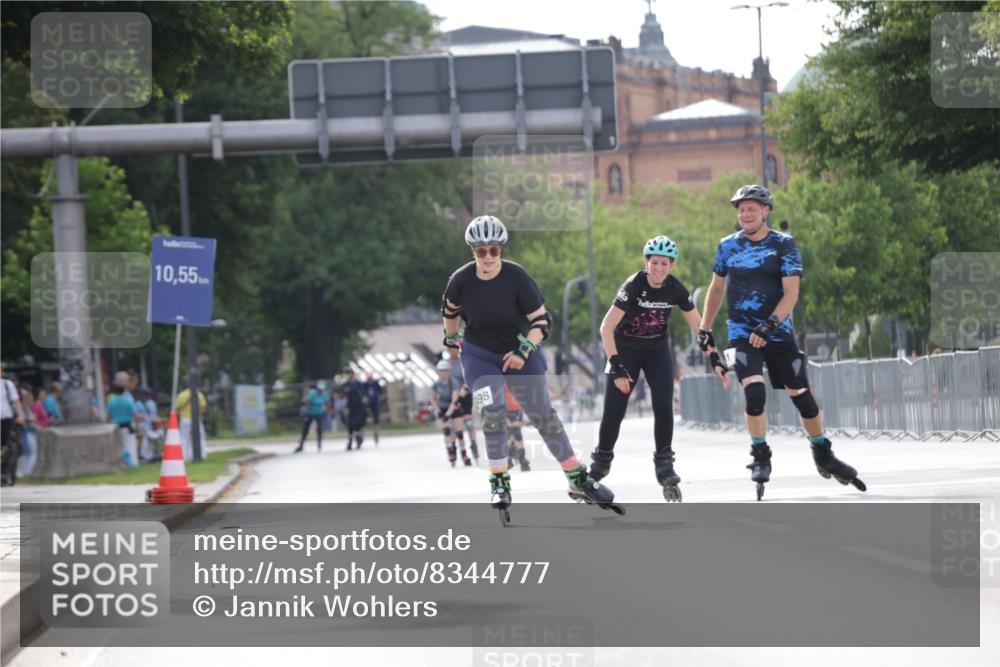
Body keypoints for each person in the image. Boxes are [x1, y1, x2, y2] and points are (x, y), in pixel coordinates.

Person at [441, 215, 617, 517]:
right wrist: (451, 337)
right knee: (493, 415)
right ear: (472, 251)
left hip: (521, 347)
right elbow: (449, 310)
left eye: (493, 250)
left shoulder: (516, 277)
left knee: (542, 416)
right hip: (479, 355)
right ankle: (499, 481)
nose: (487, 258)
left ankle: (577, 478)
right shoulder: (460, 280)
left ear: (501, 250)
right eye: (481, 251)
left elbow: (541, 321)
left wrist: (523, 350)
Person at [699, 184, 866, 500]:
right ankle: (760, 454)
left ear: (765, 211)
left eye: (751, 208)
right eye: (741, 209)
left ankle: (823, 453)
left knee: (802, 397)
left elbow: (791, 294)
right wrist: (705, 329)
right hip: (741, 333)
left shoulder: (784, 245)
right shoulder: (726, 247)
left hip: (778, 332)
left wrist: (769, 325)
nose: (745, 214)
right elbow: (716, 289)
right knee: (755, 391)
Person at [588, 235, 729, 502]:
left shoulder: (675, 288)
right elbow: (606, 328)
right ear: (646, 262)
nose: (659, 269)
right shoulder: (633, 286)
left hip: (656, 350)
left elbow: (701, 329)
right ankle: (599, 465)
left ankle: (665, 465)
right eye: (654, 263)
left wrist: (716, 360)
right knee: (614, 412)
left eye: (664, 264)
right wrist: (617, 366)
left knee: (664, 403)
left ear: (671, 266)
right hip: (625, 351)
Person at [433, 360, 471, 466]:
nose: (443, 373)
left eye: (445, 371)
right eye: (441, 371)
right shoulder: (436, 384)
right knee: (446, 431)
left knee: (459, 432)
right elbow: (432, 398)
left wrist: (448, 415)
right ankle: (450, 451)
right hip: (443, 408)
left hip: (454, 408)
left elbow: (455, 400)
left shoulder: (454, 383)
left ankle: (464, 453)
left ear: (449, 371)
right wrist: (437, 410)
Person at [446, 359, 479, 463]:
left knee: (469, 424)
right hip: (452, 396)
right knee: (454, 428)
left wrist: (461, 396)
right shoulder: (447, 364)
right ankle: (454, 449)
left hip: (465, 395)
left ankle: (473, 445)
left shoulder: (464, 361)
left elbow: (469, 379)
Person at [0, 366, 26, 486]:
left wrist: (20, 415)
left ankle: (4, 474)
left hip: (6, 419)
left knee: (5, 447)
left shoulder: (7, 384)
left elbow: (16, 401)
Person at [107, 383, 139, 467]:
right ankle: (133, 464)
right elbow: (134, 414)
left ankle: (123, 463)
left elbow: (109, 416)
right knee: (130, 445)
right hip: (127, 426)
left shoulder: (111, 402)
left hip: (116, 427)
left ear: (115, 392)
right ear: (123, 391)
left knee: (120, 446)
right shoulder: (127, 401)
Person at [175, 384, 207, 462]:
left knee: (184, 439)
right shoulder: (199, 395)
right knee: (200, 437)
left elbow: (176, 409)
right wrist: (199, 413)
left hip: (184, 420)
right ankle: (202, 455)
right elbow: (203, 408)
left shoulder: (181, 395)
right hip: (196, 419)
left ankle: (185, 457)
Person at [294, 382, 329, 453]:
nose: (320, 391)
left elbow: (326, 403)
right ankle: (301, 445)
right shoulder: (312, 393)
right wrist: (307, 408)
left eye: (321, 390)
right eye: (319, 389)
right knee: (305, 429)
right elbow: (306, 402)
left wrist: (326, 410)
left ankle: (319, 443)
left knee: (319, 428)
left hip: (319, 413)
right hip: (310, 413)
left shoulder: (325, 395)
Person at [504, 388, 530, 472]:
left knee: (517, 433)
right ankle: (508, 458)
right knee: (508, 434)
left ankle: (521, 458)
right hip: (504, 409)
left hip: (517, 410)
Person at [341, 368, 367, 450]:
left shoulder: (358, 383)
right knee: (350, 424)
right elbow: (343, 394)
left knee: (357, 423)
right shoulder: (346, 384)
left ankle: (358, 440)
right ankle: (350, 441)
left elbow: (363, 393)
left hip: (358, 406)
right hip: (350, 406)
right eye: (348, 374)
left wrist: (364, 398)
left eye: (350, 373)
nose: (349, 375)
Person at [134, 387, 163, 462]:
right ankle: (144, 457)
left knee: (152, 442)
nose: (147, 396)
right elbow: (136, 415)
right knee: (145, 443)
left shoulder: (152, 403)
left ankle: (151, 456)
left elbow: (155, 414)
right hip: (143, 425)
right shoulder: (137, 404)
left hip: (152, 425)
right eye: (146, 395)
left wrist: (157, 422)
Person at [363, 372, 383, 445]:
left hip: (375, 403)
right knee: (363, 418)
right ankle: (362, 434)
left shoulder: (376, 384)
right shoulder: (364, 385)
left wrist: (379, 399)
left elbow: (380, 392)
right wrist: (364, 399)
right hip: (367, 404)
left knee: (376, 419)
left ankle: (376, 433)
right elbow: (362, 394)